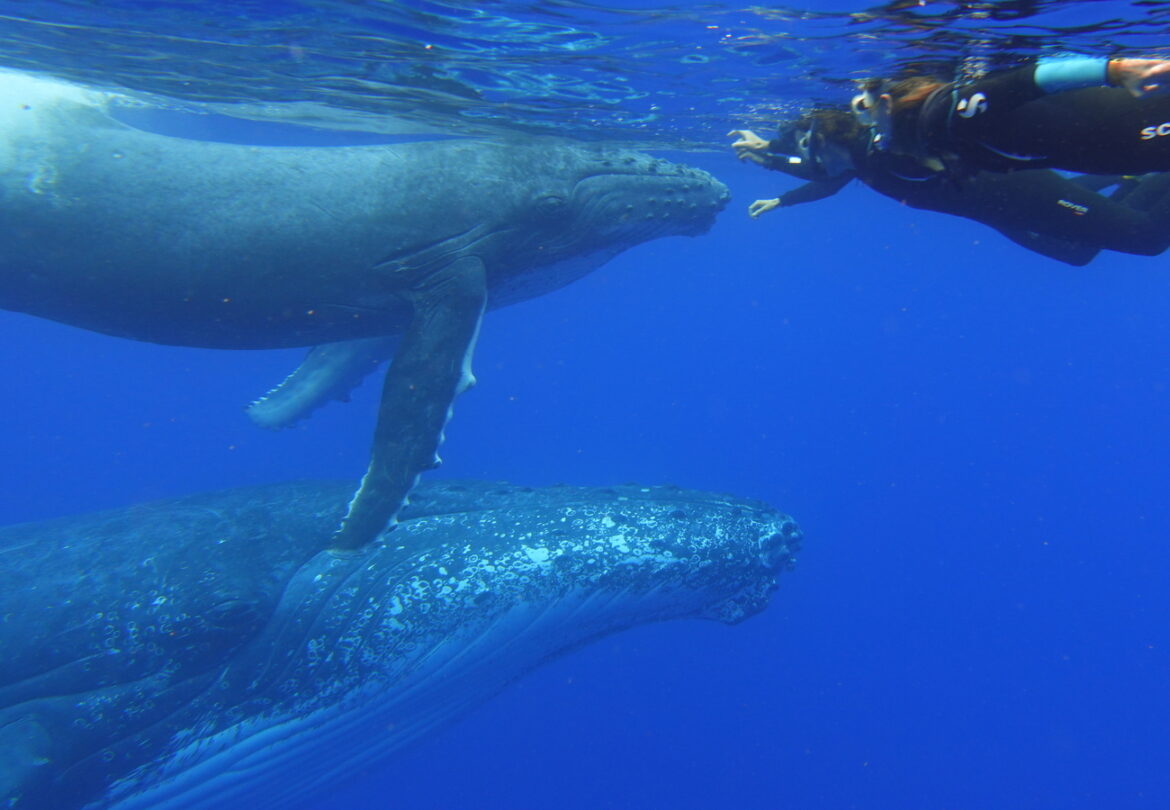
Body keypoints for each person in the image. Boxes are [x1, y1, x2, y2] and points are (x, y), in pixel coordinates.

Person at [728, 108, 1170, 265]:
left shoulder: (883, 151)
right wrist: (772, 160)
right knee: (1077, 253)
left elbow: (817, 170)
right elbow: (823, 178)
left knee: (1147, 238)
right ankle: (1139, 176)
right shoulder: (862, 161)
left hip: (1025, 197)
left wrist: (773, 159)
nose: (811, 160)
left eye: (812, 149)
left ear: (828, 141)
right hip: (1009, 211)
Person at [850, 56, 1170, 176]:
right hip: (1133, 141)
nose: (877, 136)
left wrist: (1117, 70)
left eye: (871, 117)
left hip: (1137, 127)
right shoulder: (939, 135)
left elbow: (1027, 80)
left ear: (889, 104)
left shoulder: (945, 114)